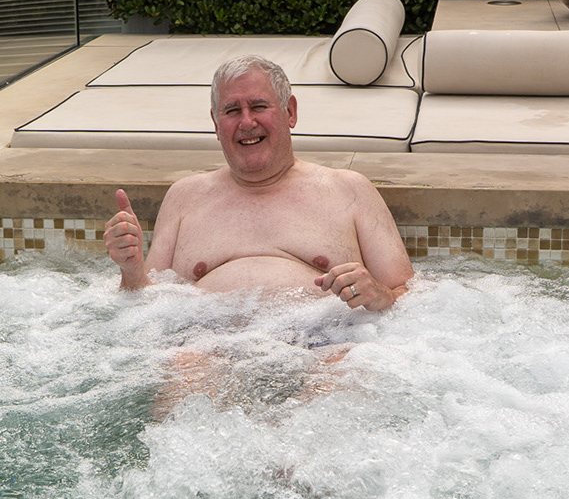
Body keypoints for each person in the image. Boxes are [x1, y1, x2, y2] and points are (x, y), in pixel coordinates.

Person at [103, 55, 414, 310]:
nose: (246, 122)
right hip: (203, 340)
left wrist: (381, 295)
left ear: (289, 111)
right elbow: (145, 307)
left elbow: (413, 297)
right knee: (185, 366)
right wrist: (130, 271)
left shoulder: (349, 190)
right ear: (215, 123)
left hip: (323, 343)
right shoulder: (184, 197)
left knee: (336, 370)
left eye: (259, 106)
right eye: (232, 110)